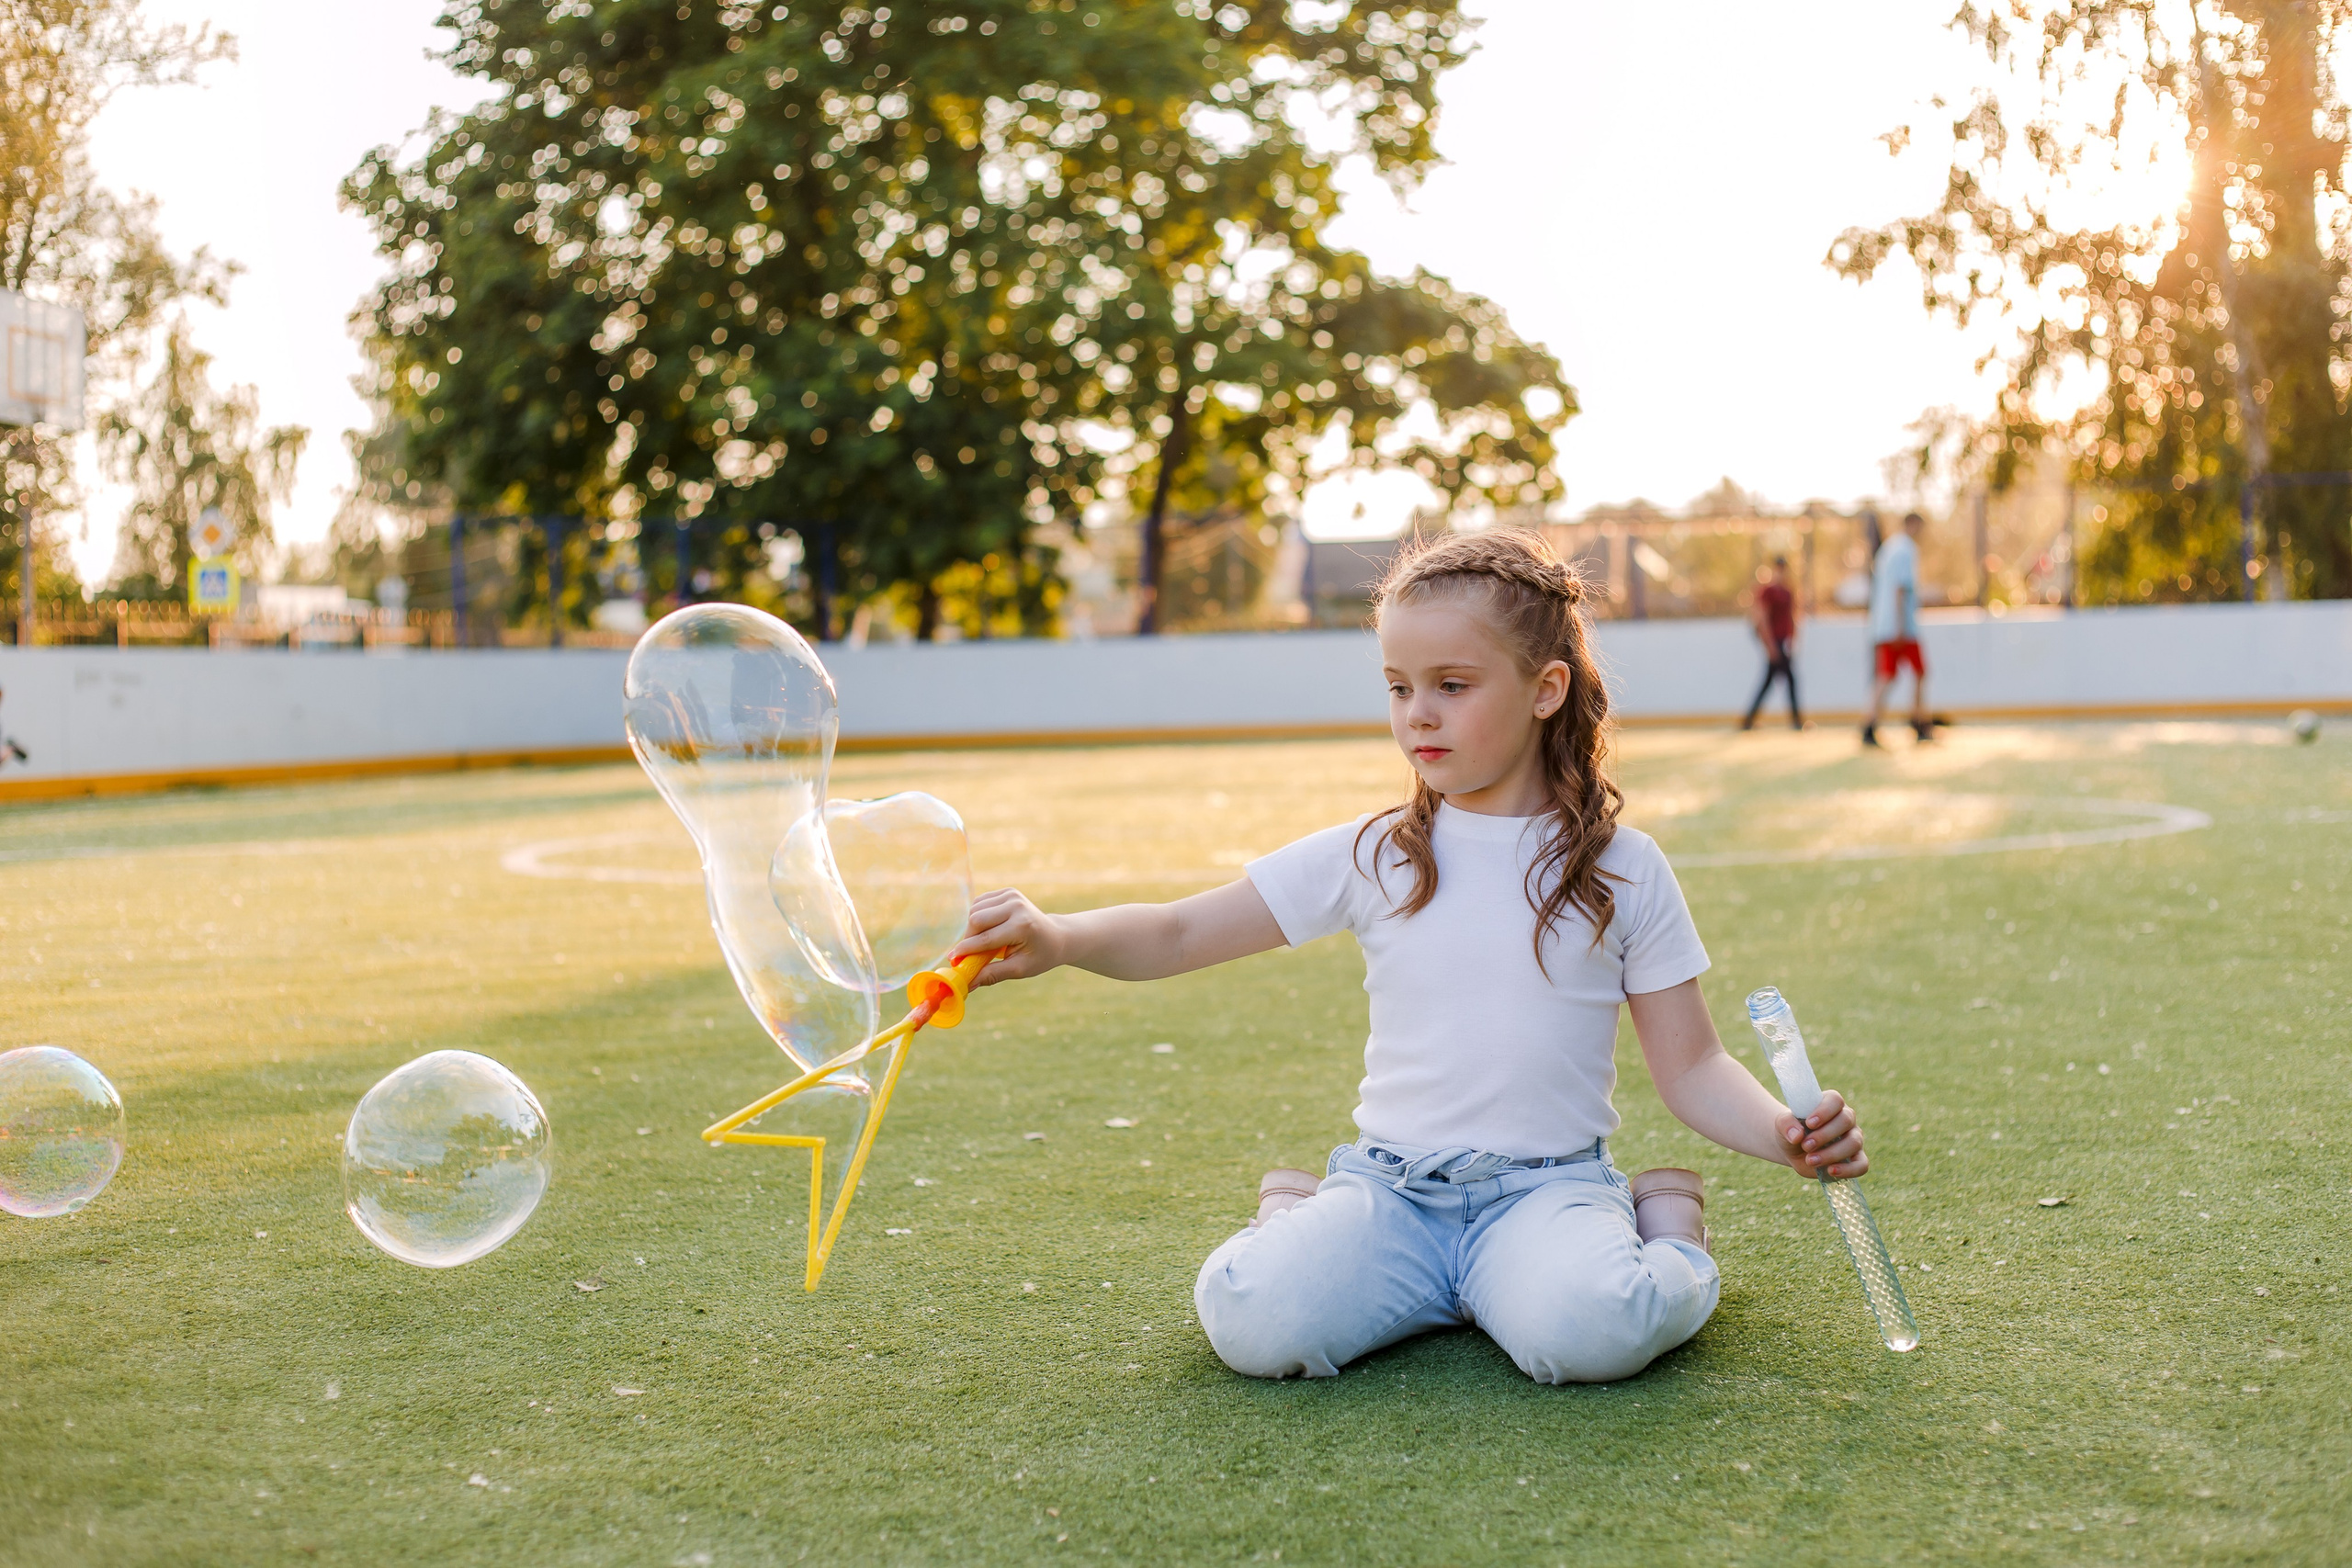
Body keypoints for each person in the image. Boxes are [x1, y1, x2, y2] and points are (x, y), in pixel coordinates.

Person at [952, 530, 1869, 1385]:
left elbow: (1693, 1065)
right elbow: (1182, 931)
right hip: (1390, 1194)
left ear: (1544, 690)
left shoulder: (1623, 869)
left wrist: (1781, 1136)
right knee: (1250, 1320)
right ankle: (1297, 1219)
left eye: (1451, 685)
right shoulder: (1375, 853)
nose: (1416, 714)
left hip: (1542, 1196)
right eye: (1398, 687)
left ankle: (1670, 1231)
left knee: (1596, 1333)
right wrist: (1061, 937)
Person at [1863, 512, 1931, 747]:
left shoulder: (1888, 548)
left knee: (1886, 676)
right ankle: (1918, 721)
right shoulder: (1905, 549)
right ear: (1912, 524)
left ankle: (1869, 725)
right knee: (1920, 672)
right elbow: (1900, 589)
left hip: (1884, 626)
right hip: (1901, 627)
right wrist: (1901, 627)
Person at [1739, 556, 1801, 730]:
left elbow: (1793, 618)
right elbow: (1762, 619)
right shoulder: (1768, 592)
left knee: (1773, 682)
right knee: (1787, 680)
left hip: (1784, 642)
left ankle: (1748, 720)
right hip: (1775, 642)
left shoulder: (1788, 592)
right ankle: (1796, 721)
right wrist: (1770, 646)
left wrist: (1793, 641)